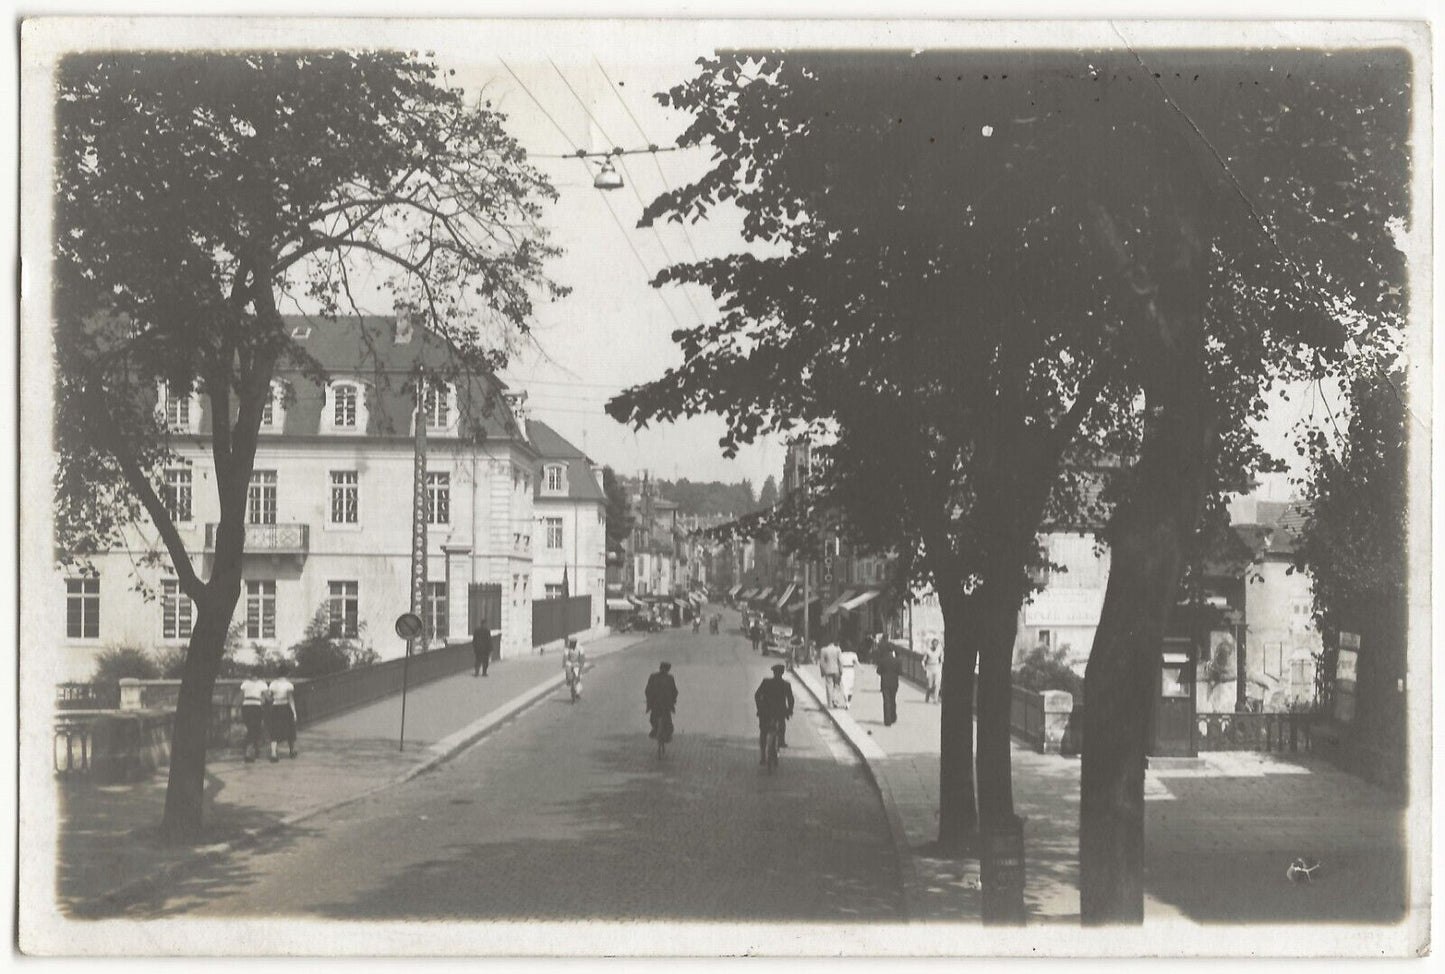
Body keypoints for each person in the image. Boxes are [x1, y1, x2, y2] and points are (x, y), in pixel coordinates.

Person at [754, 663, 795, 763]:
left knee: (763, 732)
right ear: (782, 673)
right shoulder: (786, 685)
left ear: (774, 673)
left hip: (765, 711)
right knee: (781, 727)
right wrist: (789, 710)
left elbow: (757, 695)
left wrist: (760, 707)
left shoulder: (766, 682)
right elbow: (791, 700)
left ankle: (763, 755)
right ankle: (781, 742)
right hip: (780, 712)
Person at [265, 663, 298, 762]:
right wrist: (294, 711)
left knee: (274, 730)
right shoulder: (288, 684)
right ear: (287, 673)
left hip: (275, 707)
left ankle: (274, 753)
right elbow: (290, 698)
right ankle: (291, 751)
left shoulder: (273, 684)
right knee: (290, 729)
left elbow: (269, 697)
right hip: (285, 707)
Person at [644, 661, 679, 751]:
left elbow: (648, 690)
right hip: (666, 705)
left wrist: (649, 700)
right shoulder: (670, 678)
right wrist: (673, 700)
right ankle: (666, 735)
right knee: (667, 722)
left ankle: (655, 730)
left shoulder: (653, 676)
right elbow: (675, 691)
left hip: (656, 704)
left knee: (653, 719)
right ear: (668, 670)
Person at [239, 671, 269, 764]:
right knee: (254, 729)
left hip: (246, 707)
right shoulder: (262, 684)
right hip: (256, 707)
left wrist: (236, 709)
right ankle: (248, 752)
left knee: (251, 728)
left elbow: (240, 697)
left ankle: (255, 750)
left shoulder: (245, 683)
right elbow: (268, 697)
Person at [875, 641, 901, 726]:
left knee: (886, 701)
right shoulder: (897, 660)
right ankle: (893, 717)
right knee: (893, 700)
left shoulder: (882, 660)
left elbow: (878, 671)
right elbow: (900, 672)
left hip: (885, 682)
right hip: (894, 682)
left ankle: (887, 720)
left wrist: (884, 673)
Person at [818, 637, 843, 709]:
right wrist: (841, 670)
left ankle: (829, 704)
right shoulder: (838, 649)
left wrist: (822, 672)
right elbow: (840, 661)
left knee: (829, 686)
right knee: (837, 686)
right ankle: (836, 701)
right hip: (837, 670)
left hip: (828, 671)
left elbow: (822, 662)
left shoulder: (823, 650)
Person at [838, 639, 860, 708]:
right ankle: (849, 702)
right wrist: (861, 669)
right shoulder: (853, 654)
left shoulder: (841, 655)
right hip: (851, 670)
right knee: (850, 686)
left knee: (844, 687)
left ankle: (846, 702)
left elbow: (839, 664)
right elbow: (857, 663)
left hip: (844, 670)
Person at [922, 638, 944, 704]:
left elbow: (942, 658)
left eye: (936, 644)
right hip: (929, 668)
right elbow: (923, 660)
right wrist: (924, 667)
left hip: (937, 667)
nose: (935, 645)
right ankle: (927, 696)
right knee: (930, 685)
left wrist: (941, 664)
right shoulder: (928, 651)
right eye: (934, 644)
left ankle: (935, 699)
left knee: (937, 684)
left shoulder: (940, 650)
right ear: (932, 644)